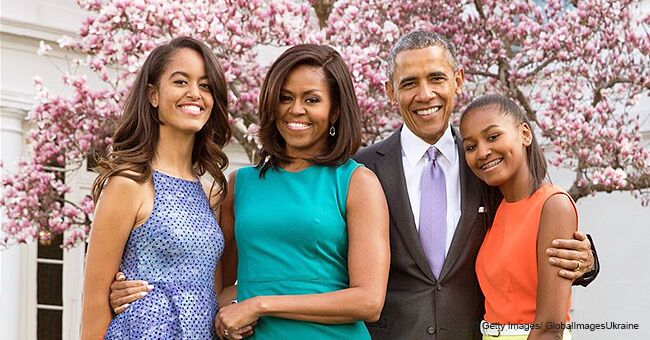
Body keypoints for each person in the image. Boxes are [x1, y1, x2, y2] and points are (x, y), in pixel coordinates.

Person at [353, 30, 599, 339]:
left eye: (436, 78)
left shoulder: (488, 163)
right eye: (409, 83)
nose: (425, 94)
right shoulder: (363, 169)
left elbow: (531, 217)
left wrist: (587, 262)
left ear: (458, 80)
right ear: (390, 92)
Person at [213, 43, 389, 339]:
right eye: (285, 98)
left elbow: (369, 301)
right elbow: (219, 287)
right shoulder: (239, 184)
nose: (296, 109)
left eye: (312, 99)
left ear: (334, 112)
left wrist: (260, 304)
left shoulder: (357, 182)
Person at [81, 37, 231, 339]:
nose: (194, 94)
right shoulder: (128, 184)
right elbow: (95, 302)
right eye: (180, 81)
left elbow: (213, 292)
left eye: (205, 86)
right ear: (153, 95)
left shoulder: (211, 194)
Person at [460, 95, 576, 339]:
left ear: (525, 134)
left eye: (493, 137)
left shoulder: (553, 205)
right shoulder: (496, 210)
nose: (482, 152)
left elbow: (549, 330)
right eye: (470, 146)